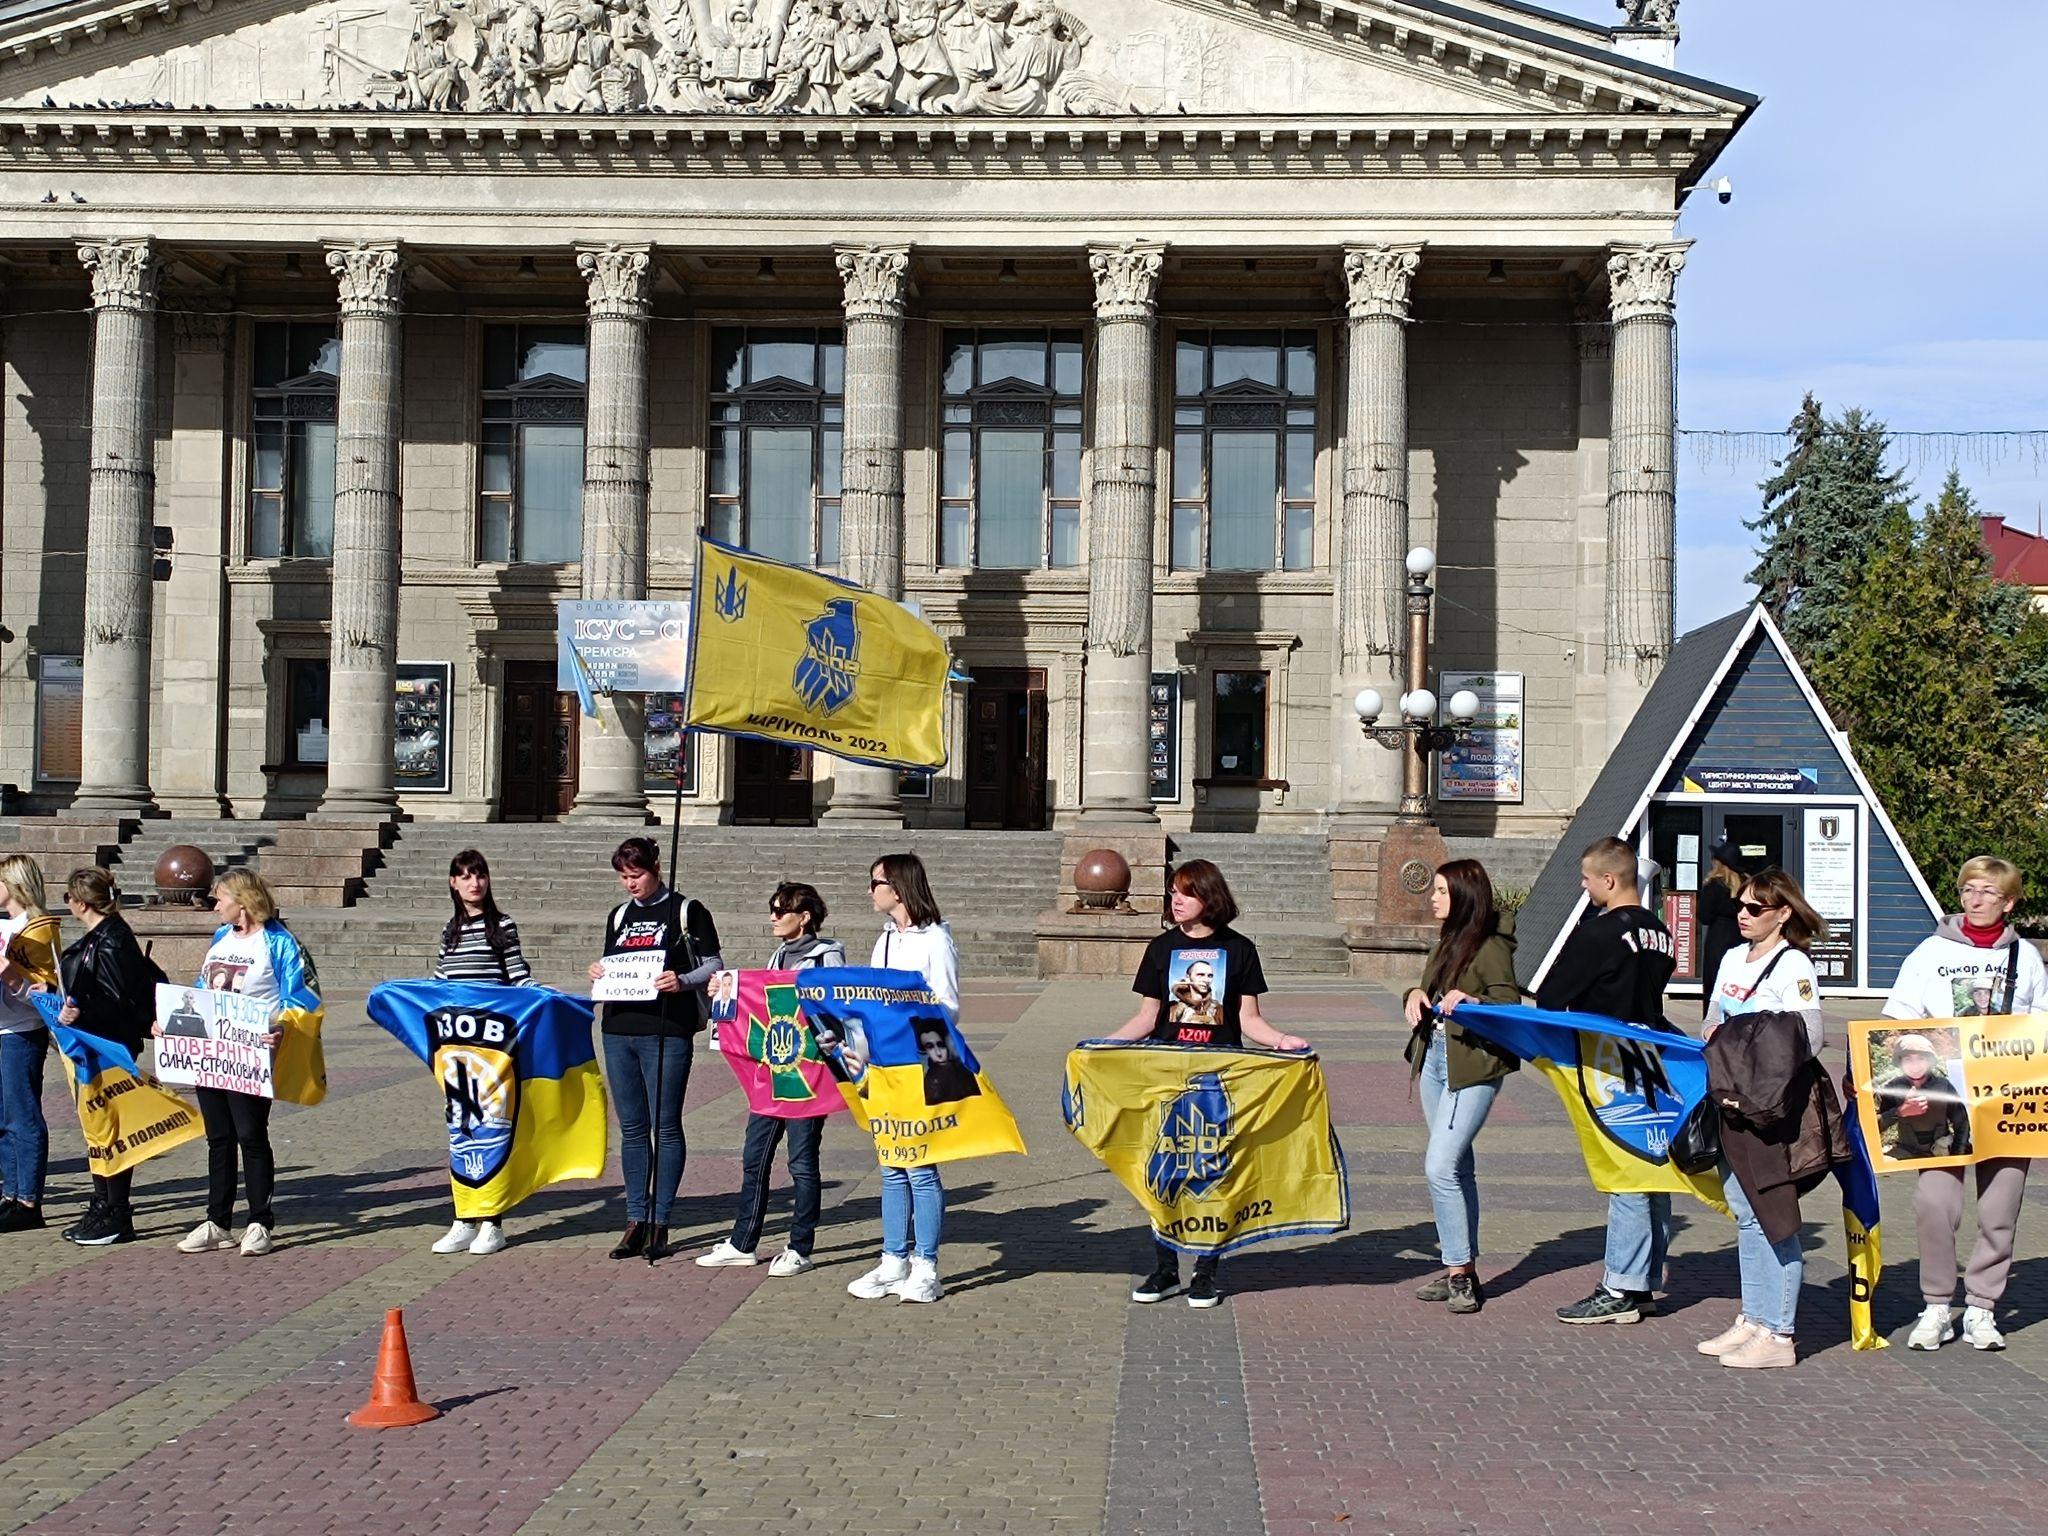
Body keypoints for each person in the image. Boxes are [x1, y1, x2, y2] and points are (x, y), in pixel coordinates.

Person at [1108, 858, 1307, 1310]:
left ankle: (1206, 1272)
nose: (1176, 900)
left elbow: (1248, 1020)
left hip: (1217, 1079)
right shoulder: (1160, 949)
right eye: (1173, 892)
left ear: (1210, 898)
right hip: (1165, 1077)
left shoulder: (1239, 950)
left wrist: (1282, 1041)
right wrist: (1099, 1045)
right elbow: (1146, 1018)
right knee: (1163, 1173)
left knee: (1212, 1175)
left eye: (1186, 892)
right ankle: (1164, 1269)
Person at [1882, 855, 2048, 1352]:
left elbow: (2040, 1025)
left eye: (1988, 892)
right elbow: (1898, 1019)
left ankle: (1981, 1306)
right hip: (1942, 1094)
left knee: (2000, 1207)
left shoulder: (2028, 958)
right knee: (1935, 1203)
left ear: (2010, 901)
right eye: (1968, 889)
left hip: (2007, 1097)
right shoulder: (1929, 952)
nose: (1975, 900)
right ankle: (1936, 1304)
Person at [1540, 836, 1678, 1326]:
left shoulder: (1598, 933)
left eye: (1587, 878)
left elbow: (1553, 997)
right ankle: (1645, 1278)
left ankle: (1620, 1284)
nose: (1583, 885)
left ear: (1609, 879)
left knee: (1625, 1175)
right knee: (1654, 1170)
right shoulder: (1661, 932)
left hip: (1608, 1066)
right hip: (1654, 1058)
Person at [1696, 867, 1828, 1370]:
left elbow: (1810, 1037)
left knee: (1772, 1215)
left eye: (1756, 909)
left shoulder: (1793, 965)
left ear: (1783, 914)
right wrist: (1716, 1034)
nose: (1743, 916)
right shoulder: (1732, 956)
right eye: (1741, 906)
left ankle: (1780, 1333)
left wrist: (1753, 1050)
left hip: (1769, 1107)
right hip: (1729, 1100)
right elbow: (1713, 1017)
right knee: (1742, 1209)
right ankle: (1754, 1317)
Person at [697, 881, 844, 1275]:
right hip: (774, 1071)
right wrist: (725, 990)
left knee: (801, 1163)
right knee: (754, 1158)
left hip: (807, 1077)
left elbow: (835, 1006)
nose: (774, 917)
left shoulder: (826, 956)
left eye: (782, 910)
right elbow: (759, 1004)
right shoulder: (779, 955)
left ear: (805, 916)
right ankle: (743, 1242)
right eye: (773, 909)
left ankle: (800, 1247)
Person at [588, 836, 722, 1264]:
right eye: (624, 877)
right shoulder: (619, 915)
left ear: (656, 868)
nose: (631, 884)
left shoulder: (687, 910)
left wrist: (683, 980)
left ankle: (661, 1221)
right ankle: (634, 1220)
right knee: (631, 1129)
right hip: (618, 1028)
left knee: (664, 1126)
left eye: (637, 875)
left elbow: (714, 963)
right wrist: (598, 970)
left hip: (666, 1028)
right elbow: (614, 962)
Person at [173, 870, 318, 1258]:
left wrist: (283, 1028)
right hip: (213, 1053)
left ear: (242, 900)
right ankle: (217, 1221)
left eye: (220, 898)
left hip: (251, 1054)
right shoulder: (221, 938)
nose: (214, 905)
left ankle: (259, 1220)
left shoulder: (279, 943)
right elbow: (204, 989)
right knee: (218, 1138)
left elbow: (303, 996)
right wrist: (172, 1021)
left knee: (251, 1135)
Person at [1402, 859, 1521, 1315]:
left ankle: (1457, 1272)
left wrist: (1475, 1001)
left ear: (1463, 897)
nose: (1432, 898)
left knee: (1439, 1166)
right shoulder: (1449, 940)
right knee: (1457, 1168)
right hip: (1434, 1058)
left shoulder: (1490, 945)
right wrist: (1413, 994)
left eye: (1441, 891)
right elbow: (1426, 989)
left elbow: (1509, 1001)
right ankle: (1462, 1270)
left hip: (1473, 1064)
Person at [847, 853, 960, 1306]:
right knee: (891, 1165)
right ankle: (893, 1257)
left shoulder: (935, 940)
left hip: (921, 1062)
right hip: (884, 1065)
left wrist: (911, 1014)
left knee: (920, 1165)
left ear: (896, 887)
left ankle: (926, 1264)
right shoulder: (885, 941)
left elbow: (948, 1005)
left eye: (874, 882)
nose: (869, 890)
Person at [428, 849, 534, 1258]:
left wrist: (543, 995)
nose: (475, 883)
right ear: (454, 883)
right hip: (456, 1050)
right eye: (466, 876)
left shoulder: (502, 926)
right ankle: (462, 1218)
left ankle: (493, 1221)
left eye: (480, 875)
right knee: (460, 1133)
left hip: (494, 1050)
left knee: (492, 1132)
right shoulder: (449, 931)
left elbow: (518, 974)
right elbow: (439, 982)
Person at [54, 868, 160, 1246]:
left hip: (109, 1047)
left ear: (80, 902)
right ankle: (102, 1203)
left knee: (112, 1128)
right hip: (93, 1046)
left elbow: (117, 1002)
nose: (67, 904)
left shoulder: (113, 939)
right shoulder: (103, 934)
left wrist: (81, 1013)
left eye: (68, 897)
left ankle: (115, 1210)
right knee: (99, 1128)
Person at [0, 856, 62, 1232]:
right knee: (2, 1117)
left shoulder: (37, 931)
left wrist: (12, 979)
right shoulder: (5, 925)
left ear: (15, 885)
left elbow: (45, 996)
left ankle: (28, 1201)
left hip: (22, 1030)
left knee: (22, 1115)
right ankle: (10, 1192)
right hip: (1, 1026)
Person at [1873, 1034, 1970, 1161]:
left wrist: (1957, 1156)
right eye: (1908, 1059)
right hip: (1905, 1151)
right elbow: (1872, 1127)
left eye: (1921, 1059)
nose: (1915, 1065)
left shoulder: (1943, 1086)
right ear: (1900, 1062)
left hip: (1941, 1150)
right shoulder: (1893, 1088)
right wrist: (1900, 1111)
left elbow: (1962, 1124)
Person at [1696, 843, 1746, 1020]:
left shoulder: (1714, 886)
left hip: (1718, 939)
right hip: (1741, 938)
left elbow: (1704, 916)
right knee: (1739, 987)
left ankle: (1714, 1025)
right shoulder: (1746, 885)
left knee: (1715, 986)